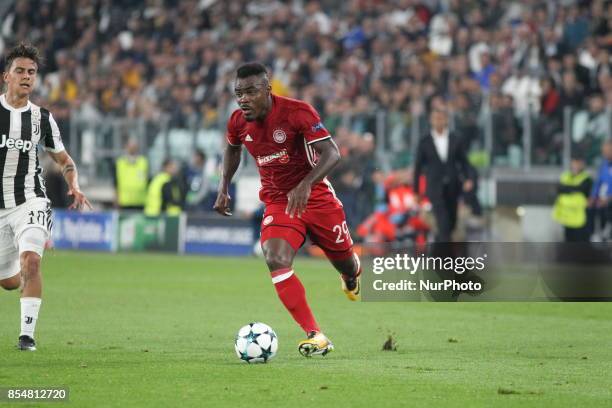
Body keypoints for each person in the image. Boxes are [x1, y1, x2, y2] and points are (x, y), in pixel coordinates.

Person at [214, 63, 361, 357]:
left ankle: (350, 275)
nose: (243, 99)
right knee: (275, 257)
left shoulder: (297, 112)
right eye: (238, 93)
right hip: (279, 201)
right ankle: (315, 334)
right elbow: (232, 148)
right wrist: (224, 187)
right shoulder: (237, 122)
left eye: (251, 92)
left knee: (345, 262)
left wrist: (306, 184)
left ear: (268, 90)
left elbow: (333, 153)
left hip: (317, 196)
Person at [0, 44, 91, 351]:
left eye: (32, 72)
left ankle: (27, 336)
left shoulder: (42, 118)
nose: (27, 77)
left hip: (31, 200)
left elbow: (65, 160)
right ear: (6, 77)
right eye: (20, 71)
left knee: (32, 262)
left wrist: (74, 184)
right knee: (11, 281)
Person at [413, 108, 475, 242]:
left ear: (446, 120)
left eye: (441, 118)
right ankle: (444, 260)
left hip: (453, 186)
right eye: (435, 118)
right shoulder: (425, 141)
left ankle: (438, 255)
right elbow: (418, 168)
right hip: (435, 187)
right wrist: (416, 191)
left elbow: (464, 162)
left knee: (451, 222)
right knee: (443, 223)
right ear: (431, 121)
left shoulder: (455, 139)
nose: (438, 121)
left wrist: (468, 178)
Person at [553, 154, 593, 242]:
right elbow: (559, 188)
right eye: (574, 163)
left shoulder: (586, 179)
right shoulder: (565, 176)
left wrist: (567, 189)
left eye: (578, 163)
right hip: (567, 219)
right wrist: (574, 189)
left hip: (581, 220)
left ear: (582, 164)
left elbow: (582, 188)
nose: (576, 166)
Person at [113, 139, 149, 211]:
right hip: (124, 202)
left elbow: (147, 181)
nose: (132, 148)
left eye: (134, 146)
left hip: (140, 201)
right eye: (130, 146)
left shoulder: (143, 162)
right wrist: (116, 200)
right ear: (126, 147)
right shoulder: (120, 163)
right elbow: (116, 183)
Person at [590, 139, 612, 240]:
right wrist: (593, 196)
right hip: (601, 204)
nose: (604, 152)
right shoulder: (604, 164)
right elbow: (598, 182)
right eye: (603, 150)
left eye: (607, 150)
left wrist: (609, 198)